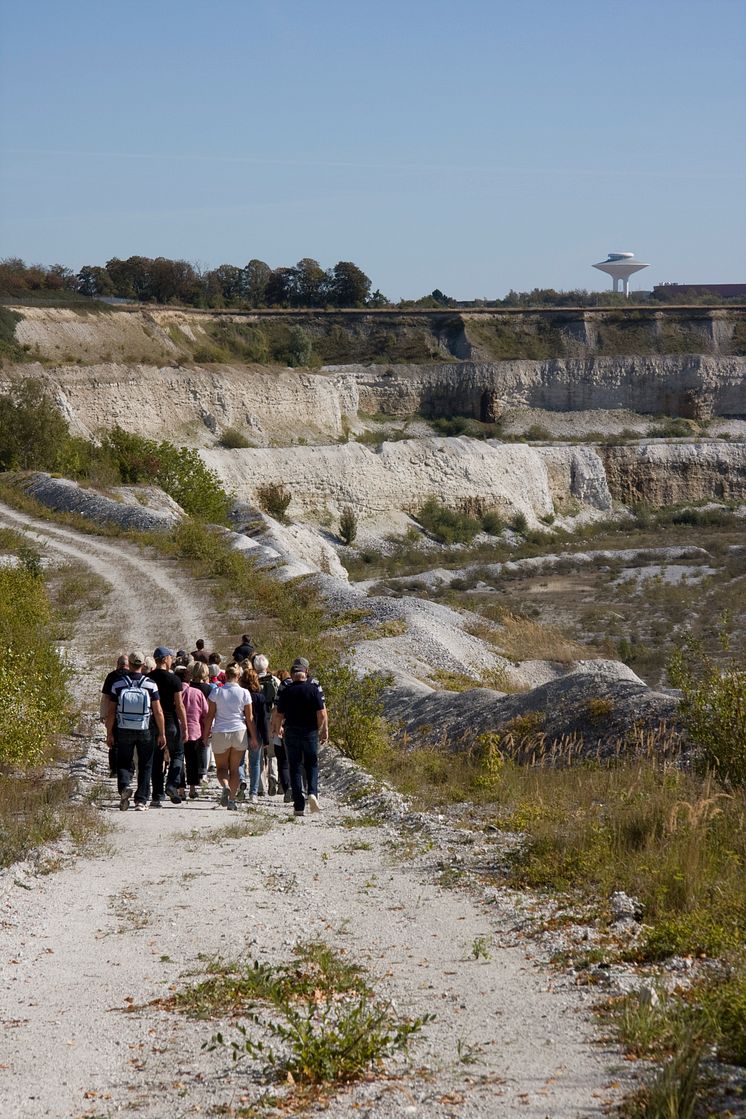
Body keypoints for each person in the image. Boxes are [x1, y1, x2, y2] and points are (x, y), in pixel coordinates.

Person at [105, 651, 166, 812]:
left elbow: (111, 711)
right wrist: (162, 733)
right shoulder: (150, 684)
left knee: (124, 761)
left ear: (129, 664)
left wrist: (109, 732)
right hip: (145, 728)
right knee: (146, 764)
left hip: (123, 727)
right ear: (143, 666)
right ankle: (141, 800)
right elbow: (158, 711)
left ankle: (124, 787)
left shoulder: (118, 684)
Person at [270, 658, 328, 817]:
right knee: (312, 763)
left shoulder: (287, 690)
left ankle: (299, 805)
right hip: (310, 732)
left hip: (291, 731)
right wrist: (319, 727)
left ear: (293, 675)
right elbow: (322, 713)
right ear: (305, 673)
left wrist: (278, 727)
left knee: (294, 766)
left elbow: (278, 713)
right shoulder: (313, 689)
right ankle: (312, 793)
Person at [204, 663, 258, 811]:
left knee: (221, 767)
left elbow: (210, 716)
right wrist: (253, 737)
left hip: (221, 731)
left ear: (225, 676)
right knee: (234, 769)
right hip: (239, 732)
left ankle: (225, 786)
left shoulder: (217, 692)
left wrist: (205, 735)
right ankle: (232, 800)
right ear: (238, 676)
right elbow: (249, 717)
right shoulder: (245, 693)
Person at [148, 646, 189, 806]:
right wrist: (185, 727)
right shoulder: (174, 680)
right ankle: (171, 784)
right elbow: (179, 706)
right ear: (165, 659)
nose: (172, 659)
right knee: (178, 754)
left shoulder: (149, 678)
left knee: (157, 759)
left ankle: (157, 795)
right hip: (171, 722)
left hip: (153, 723)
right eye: (170, 657)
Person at [174, 664, 209, 799]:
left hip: (178, 731)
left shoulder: (175, 693)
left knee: (178, 760)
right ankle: (193, 788)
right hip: (194, 730)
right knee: (192, 760)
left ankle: (181, 788)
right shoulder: (197, 693)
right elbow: (205, 713)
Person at [239, 665, 269, 803]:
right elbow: (263, 719)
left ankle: (241, 781)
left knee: (238, 761)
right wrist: (266, 738)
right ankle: (254, 793)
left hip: (240, 731)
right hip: (256, 733)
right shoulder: (260, 697)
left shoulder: (240, 696)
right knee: (255, 763)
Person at [253, 654, 281, 794]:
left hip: (256, 720)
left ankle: (260, 786)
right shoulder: (275, 680)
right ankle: (273, 777)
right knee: (272, 753)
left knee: (258, 754)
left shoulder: (252, 681)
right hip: (271, 719)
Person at [101, 654, 129, 777]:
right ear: (128, 664)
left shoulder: (111, 676)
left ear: (117, 664)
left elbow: (106, 696)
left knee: (113, 741)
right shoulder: (132, 676)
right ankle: (128, 768)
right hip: (129, 714)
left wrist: (104, 714)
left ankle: (115, 770)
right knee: (129, 742)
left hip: (114, 713)